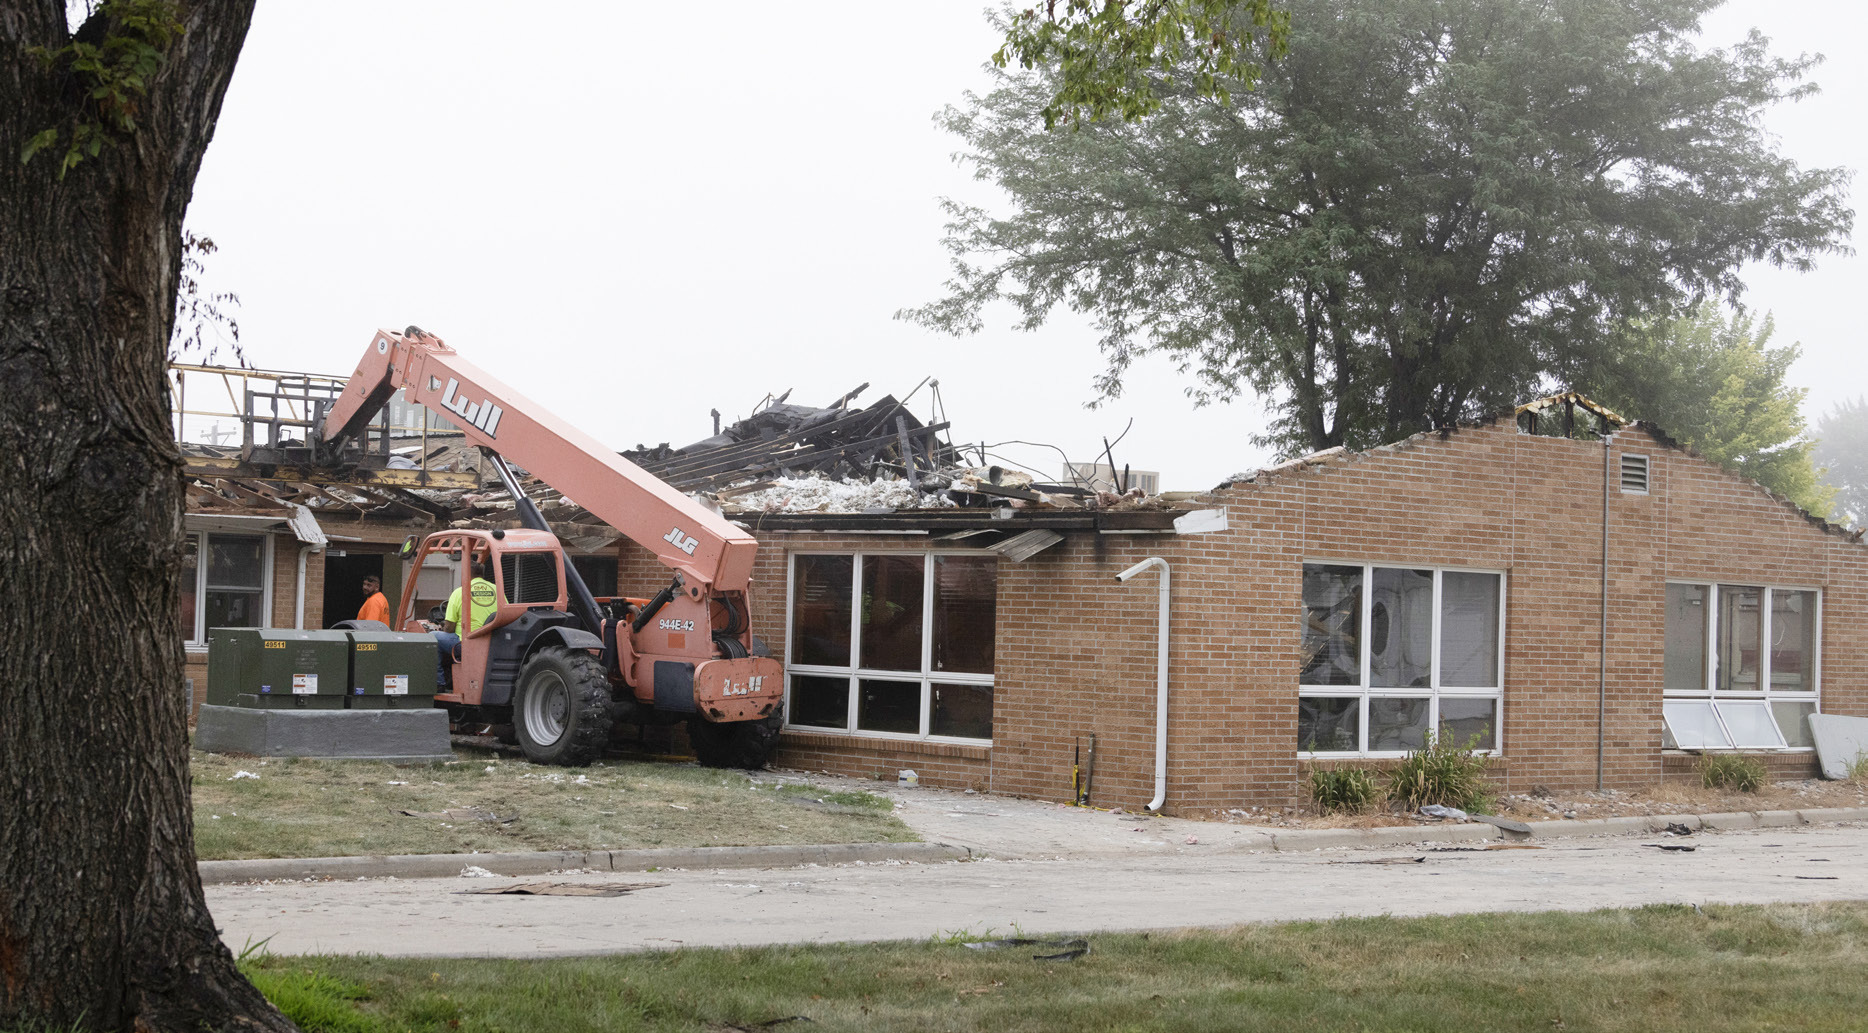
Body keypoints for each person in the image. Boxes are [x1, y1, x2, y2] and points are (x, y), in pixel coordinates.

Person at [432, 559, 499, 687]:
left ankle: (438, 683)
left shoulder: (459, 592)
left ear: (467, 574)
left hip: (465, 645)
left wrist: (442, 628)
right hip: (491, 644)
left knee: (433, 637)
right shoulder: (497, 591)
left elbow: (449, 628)